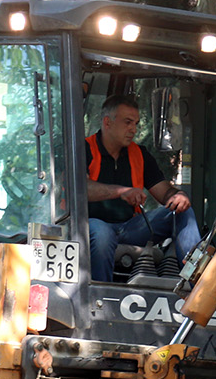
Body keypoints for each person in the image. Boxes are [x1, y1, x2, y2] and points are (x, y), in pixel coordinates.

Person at [83, 94, 201, 282]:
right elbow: (81, 189)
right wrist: (122, 192)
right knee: (102, 234)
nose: (133, 129)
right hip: (88, 225)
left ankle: (198, 280)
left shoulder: (140, 155)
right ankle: (100, 296)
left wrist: (177, 196)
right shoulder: (83, 149)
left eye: (136, 124)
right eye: (128, 122)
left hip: (130, 228)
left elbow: (164, 192)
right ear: (107, 122)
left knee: (182, 212)